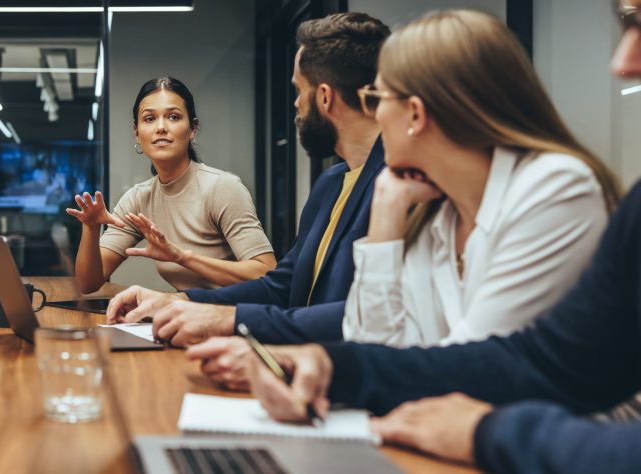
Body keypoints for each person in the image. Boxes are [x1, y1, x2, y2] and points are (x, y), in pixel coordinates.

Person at [241, 5, 641, 473]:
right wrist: (386, 219)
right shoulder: (432, 209)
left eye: (377, 98)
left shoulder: (555, 187)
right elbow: (381, 344)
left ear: (413, 113)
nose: (622, 63)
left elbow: (496, 375)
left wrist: (345, 369)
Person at [104, 13, 391, 348]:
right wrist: (178, 301)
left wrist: (230, 319)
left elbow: (371, 316)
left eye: (299, 91)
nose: (296, 105)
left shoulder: (400, 186)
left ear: (325, 97)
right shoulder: (331, 183)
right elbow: (282, 286)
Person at [67, 76, 276, 293]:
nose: (161, 128)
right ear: (137, 133)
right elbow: (88, 284)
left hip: (237, 319)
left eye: (173, 117)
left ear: (192, 129)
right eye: (149, 119)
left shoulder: (222, 188)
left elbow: (266, 275)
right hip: (186, 318)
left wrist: (181, 257)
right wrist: (91, 229)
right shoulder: (139, 198)